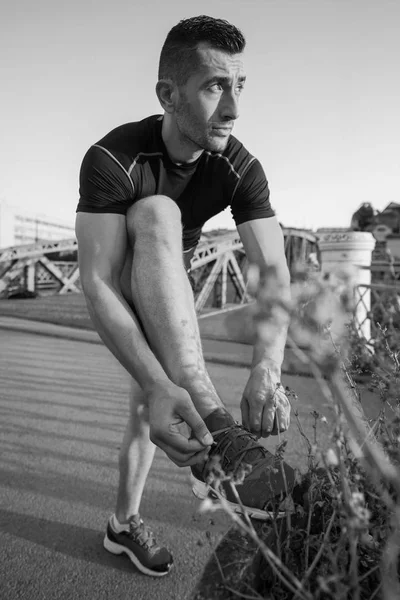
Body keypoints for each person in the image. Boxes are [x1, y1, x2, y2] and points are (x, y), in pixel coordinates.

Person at [75, 15, 294, 577]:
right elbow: (98, 280)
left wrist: (267, 367)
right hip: (127, 275)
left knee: (148, 411)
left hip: (173, 281)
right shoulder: (113, 158)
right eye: (216, 86)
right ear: (168, 95)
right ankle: (220, 436)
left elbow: (272, 267)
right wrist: (157, 378)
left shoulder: (240, 167)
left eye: (239, 86)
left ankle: (122, 525)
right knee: (156, 210)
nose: (234, 109)